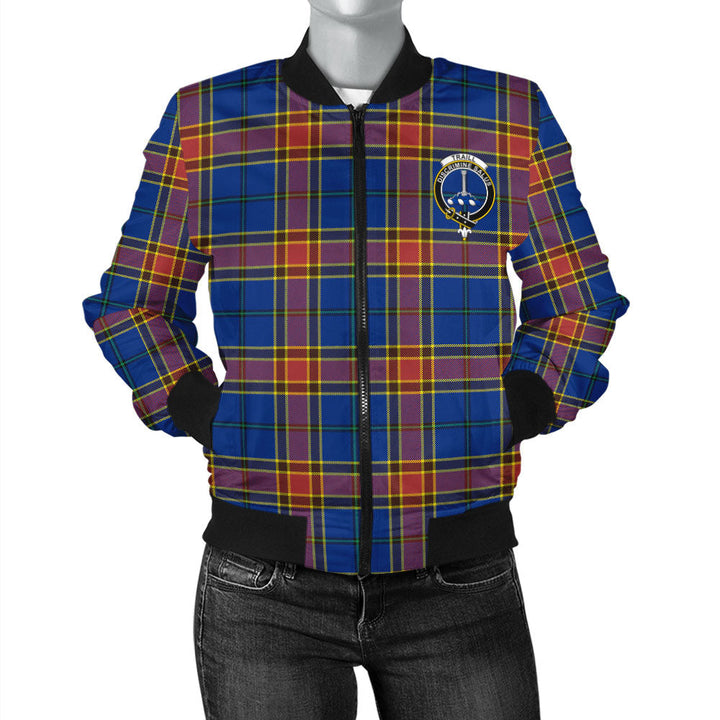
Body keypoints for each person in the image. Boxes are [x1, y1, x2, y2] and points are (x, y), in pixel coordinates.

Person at [81, 1, 630, 717]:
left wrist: (513, 407)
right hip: (265, 585)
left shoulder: (505, 114)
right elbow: (132, 304)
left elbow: (579, 300)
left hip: (458, 574)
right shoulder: (208, 120)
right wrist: (212, 414)